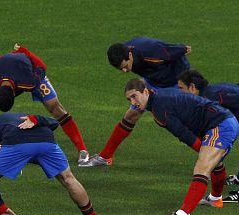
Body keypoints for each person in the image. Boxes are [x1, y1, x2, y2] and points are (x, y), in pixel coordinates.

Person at [122, 78, 239, 215]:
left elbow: (183, 133)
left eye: (134, 96)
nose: (133, 102)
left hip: (221, 124)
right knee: (213, 162)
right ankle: (216, 199)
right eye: (129, 99)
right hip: (221, 121)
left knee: (202, 167)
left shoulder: (159, 108)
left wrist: (203, 153)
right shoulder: (159, 98)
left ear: (145, 91)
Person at [82, 37, 192, 168]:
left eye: (125, 66)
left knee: (190, 121)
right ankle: (105, 157)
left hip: (177, 83)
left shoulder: (151, 52)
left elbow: (175, 50)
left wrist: (183, 48)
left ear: (129, 55)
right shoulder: (123, 51)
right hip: (152, 82)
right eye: (120, 69)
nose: (124, 71)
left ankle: (213, 164)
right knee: (132, 114)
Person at [177, 70, 239, 203]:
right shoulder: (208, 94)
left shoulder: (212, 96)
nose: (179, 92)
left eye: (181, 88)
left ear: (192, 87)